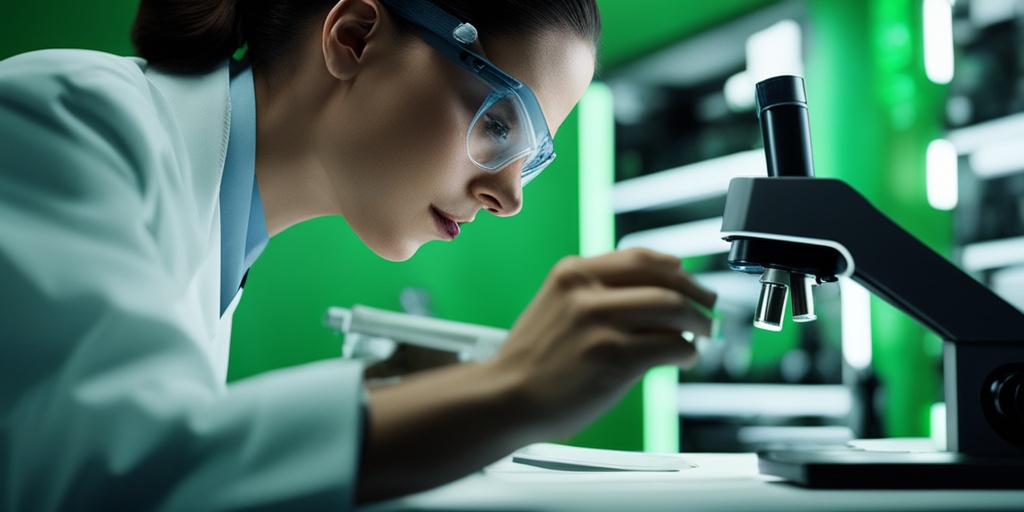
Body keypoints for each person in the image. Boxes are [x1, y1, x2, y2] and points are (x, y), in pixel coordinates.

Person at [0, 0, 716, 509]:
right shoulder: (69, 116)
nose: (508, 195)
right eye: (499, 121)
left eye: (531, 157)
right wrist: (512, 389)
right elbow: (107, 477)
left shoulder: (221, 241)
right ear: (353, 37)